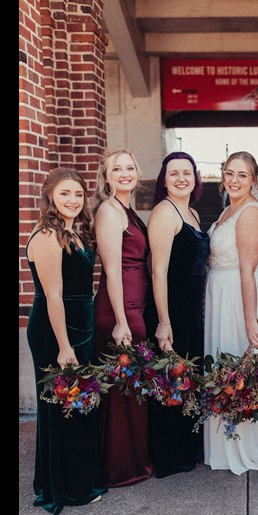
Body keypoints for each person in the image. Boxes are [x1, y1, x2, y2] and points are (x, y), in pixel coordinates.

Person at [26, 168, 107, 515]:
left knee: (80, 403)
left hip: (80, 327)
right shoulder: (47, 236)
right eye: (64, 194)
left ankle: (81, 479)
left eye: (77, 194)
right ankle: (67, 487)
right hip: (55, 330)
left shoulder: (75, 231)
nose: (72, 200)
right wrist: (63, 346)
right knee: (63, 405)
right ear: (49, 198)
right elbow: (54, 295)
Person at [202, 151, 258, 474]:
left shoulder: (251, 213)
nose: (234, 180)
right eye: (229, 173)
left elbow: (247, 271)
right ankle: (222, 444)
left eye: (242, 175)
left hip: (239, 297)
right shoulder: (228, 209)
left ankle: (245, 447)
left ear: (254, 180)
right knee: (222, 365)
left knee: (239, 363)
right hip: (220, 294)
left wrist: (250, 323)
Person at [91, 147, 154, 487]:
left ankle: (133, 460)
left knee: (129, 390)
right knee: (120, 393)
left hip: (134, 306)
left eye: (130, 167)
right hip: (120, 309)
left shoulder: (126, 209)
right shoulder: (109, 212)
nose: (125, 173)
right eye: (117, 169)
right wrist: (121, 320)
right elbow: (112, 270)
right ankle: (121, 468)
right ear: (107, 176)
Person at [147, 152, 209, 478]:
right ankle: (170, 456)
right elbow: (158, 271)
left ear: (196, 177)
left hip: (193, 308)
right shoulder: (164, 212)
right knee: (172, 379)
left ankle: (188, 447)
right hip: (172, 307)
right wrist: (163, 321)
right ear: (164, 179)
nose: (181, 178)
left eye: (187, 172)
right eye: (174, 173)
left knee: (189, 376)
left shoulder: (194, 213)